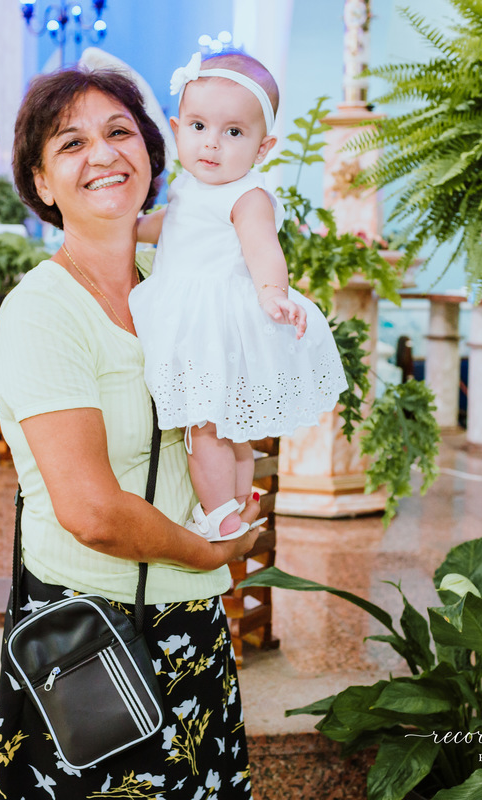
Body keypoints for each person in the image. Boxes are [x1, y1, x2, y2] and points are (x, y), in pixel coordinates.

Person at [0, 67, 259, 799]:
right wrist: (209, 550)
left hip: (190, 621)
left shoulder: (175, 280)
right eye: (70, 143)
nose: (103, 155)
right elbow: (92, 511)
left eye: (119, 132)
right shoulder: (43, 312)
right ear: (42, 183)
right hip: (94, 632)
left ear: (150, 151)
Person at [128, 52, 347, 540]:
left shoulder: (247, 196)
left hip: (213, 318)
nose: (212, 143)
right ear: (176, 127)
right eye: (199, 125)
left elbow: (264, 250)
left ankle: (218, 512)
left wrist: (273, 294)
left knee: (203, 427)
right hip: (186, 308)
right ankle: (242, 501)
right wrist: (131, 229)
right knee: (227, 426)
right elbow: (171, 224)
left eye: (233, 133)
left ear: (263, 146)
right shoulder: (189, 185)